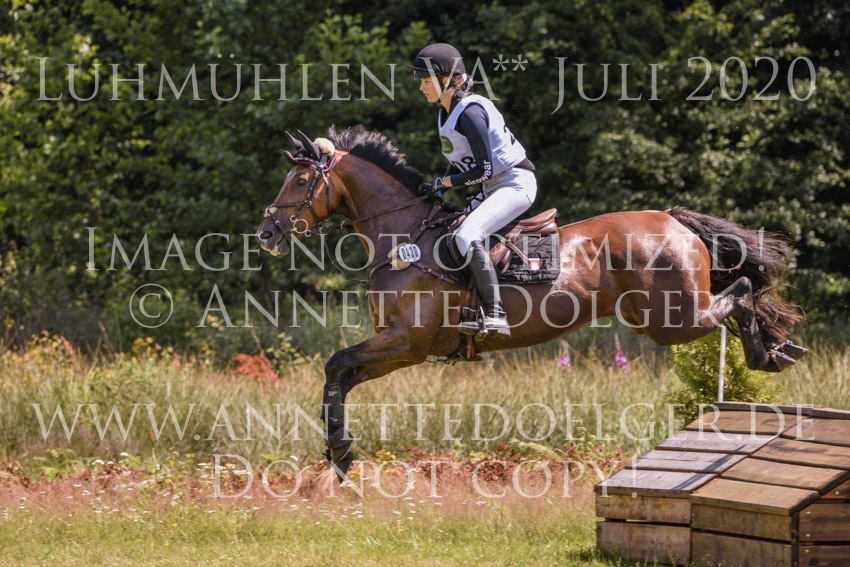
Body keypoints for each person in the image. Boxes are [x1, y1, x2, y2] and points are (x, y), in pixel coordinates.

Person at [411, 43, 538, 336]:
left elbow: (484, 170)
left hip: (515, 183)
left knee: (467, 235)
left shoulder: (470, 112)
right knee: (447, 230)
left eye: (426, 81)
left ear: (446, 80)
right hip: (494, 186)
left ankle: (496, 314)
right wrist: (437, 187)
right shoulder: (446, 113)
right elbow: (462, 164)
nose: (421, 88)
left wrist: (446, 183)